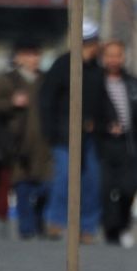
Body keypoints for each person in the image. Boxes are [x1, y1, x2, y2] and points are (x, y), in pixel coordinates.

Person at [37, 20, 105, 240]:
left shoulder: (96, 70)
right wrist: (50, 131)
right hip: (64, 135)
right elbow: (47, 100)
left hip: (90, 136)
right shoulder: (62, 66)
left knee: (91, 179)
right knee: (63, 178)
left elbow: (101, 101)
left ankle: (87, 227)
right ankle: (55, 221)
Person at [0, 42, 53, 239]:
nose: (34, 59)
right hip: (17, 142)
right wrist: (11, 102)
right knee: (23, 186)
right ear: (19, 57)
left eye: (36, 54)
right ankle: (26, 229)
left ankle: (40, 221)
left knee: (46, 186)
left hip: (43, 143)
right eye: (29, 54)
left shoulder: (45, 80)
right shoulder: (8, 81)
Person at [97, 40, 137, 247]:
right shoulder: (96, 82)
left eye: (118, 55)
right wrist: (104, 126)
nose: (114, 60)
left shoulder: (134, 84)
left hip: (128, 144)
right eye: (110, 55)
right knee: (105, 189)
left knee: (128, 188)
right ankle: (110, 228)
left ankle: (123, 224)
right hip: (103, 146)